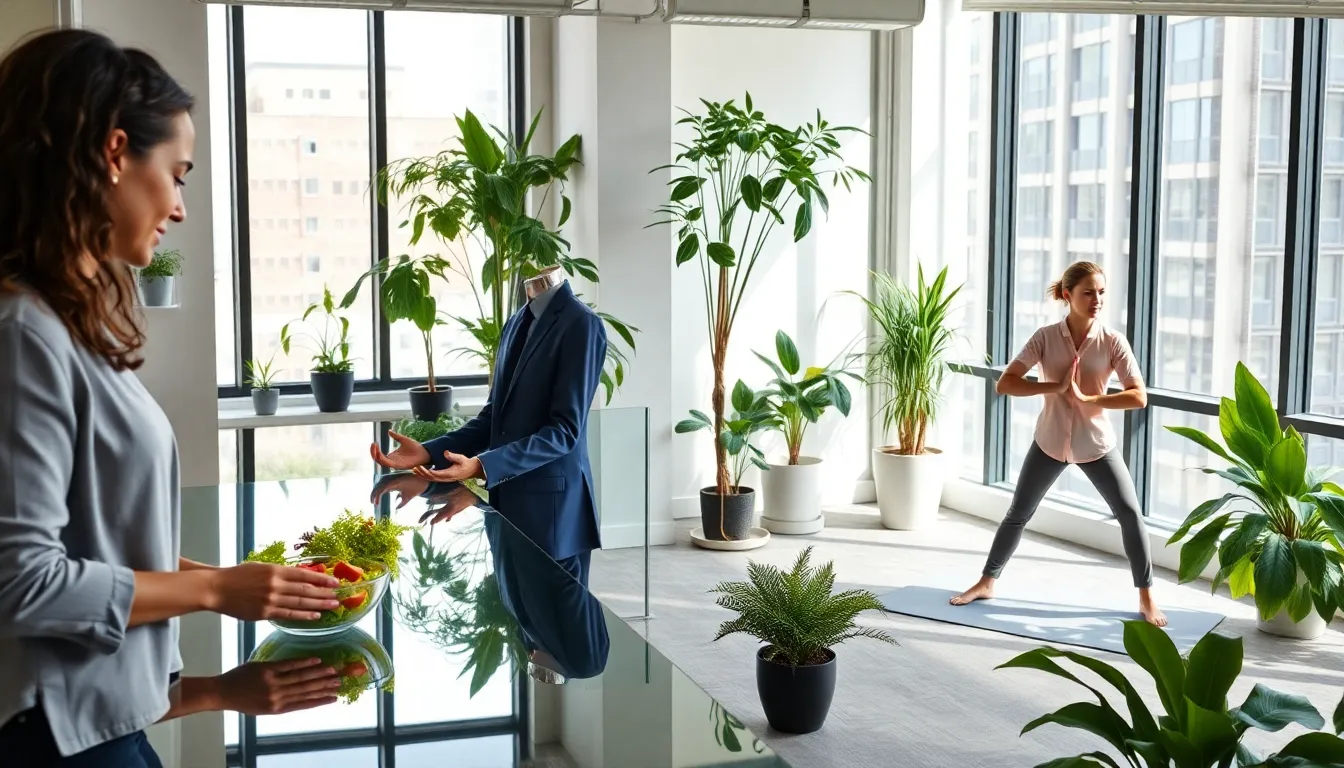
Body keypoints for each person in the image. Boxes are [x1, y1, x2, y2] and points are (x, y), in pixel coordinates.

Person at [0, 30, 345, 767]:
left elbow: (97, 550)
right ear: (115, 153)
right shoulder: (23, 332)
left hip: (107, 731)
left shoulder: (69, 324)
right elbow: (24, 583)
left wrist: (222, 675)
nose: (181, 207)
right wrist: (218, 589)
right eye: (178, 173)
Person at [949, 261, 1167, 627]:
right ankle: (987, 582)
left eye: (1100, 292)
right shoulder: (1045, 337)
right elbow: (1006, 383)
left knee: (1130, 515)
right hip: (1049, 441)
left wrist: (1092, 399)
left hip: (1096, 444)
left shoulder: (1113, 341)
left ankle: (1146, 597)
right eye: (1088, 293)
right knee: (1018, 514)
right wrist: (1054, 387)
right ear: (1068, 295)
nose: (1096, 299)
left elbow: (1138, 396)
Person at [371, 266, 608, 568]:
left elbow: (563, 432)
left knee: (560, 615)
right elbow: (492, 420)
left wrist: (481, 466)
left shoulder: (582, 324)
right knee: (515, 613)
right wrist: (427, 452)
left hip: (554, 519)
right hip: (504, 514)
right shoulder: (516, 322)